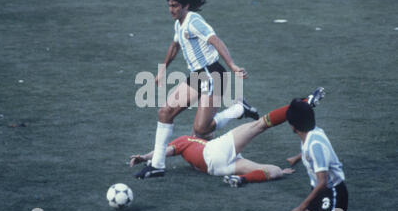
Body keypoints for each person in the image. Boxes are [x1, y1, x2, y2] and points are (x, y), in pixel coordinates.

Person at [135, 0, 259, 179]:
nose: (171, 10)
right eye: (169, 5)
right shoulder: (179, 23)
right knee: (165, 112)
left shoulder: (194, 21)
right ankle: (157, 165)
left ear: (186, 5)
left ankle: (238, 109)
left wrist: (233, 65)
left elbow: (216, 41)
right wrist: (162, 71)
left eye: (175, 6)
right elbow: (174, 46)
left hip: (213, 75)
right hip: (197, 76)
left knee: (201, 129)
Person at [131, 88, 326, 186]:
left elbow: (164, 152)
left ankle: (241, 180)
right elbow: (166, 149)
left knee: (275, 171)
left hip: (219, 168)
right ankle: (306, 103)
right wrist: (147, 157)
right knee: (260, 125)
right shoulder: (185, 140)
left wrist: (144, 157)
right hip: (213, 153)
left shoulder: (194, 144)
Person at [285, 98, 348, 211]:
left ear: (294, 127)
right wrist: (298, 157)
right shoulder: (312, 132)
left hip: (334, 195)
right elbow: (313, 153)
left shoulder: (315, 146)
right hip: (319, 192)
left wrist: (301, 208)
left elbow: (323, 183)